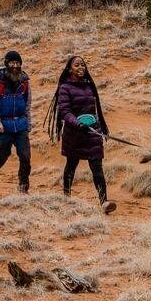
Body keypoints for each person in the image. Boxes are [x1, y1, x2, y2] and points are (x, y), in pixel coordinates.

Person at [51, 54, 115, 214]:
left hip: (92, 132)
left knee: (97, 167)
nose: (81, 67)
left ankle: (104, 202)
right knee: (71, 165)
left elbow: (94, 110)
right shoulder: (64, 88)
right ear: (69, 69)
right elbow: (65, 112)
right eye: (77, 65)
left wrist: (97, 126)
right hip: (74, 134)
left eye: (83, 65)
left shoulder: (89, 85)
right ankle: (66, 197)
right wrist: (78, 124)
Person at [0, 49, 31, 193]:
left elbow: (27, 104)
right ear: (6, 63)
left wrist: (28, 123)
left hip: (21, 125)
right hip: (3, 126)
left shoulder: (25, 81)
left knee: (25, 157)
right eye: (12, 63)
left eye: (17, 63)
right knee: (1, 156)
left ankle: (23, 189)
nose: (15, 66)